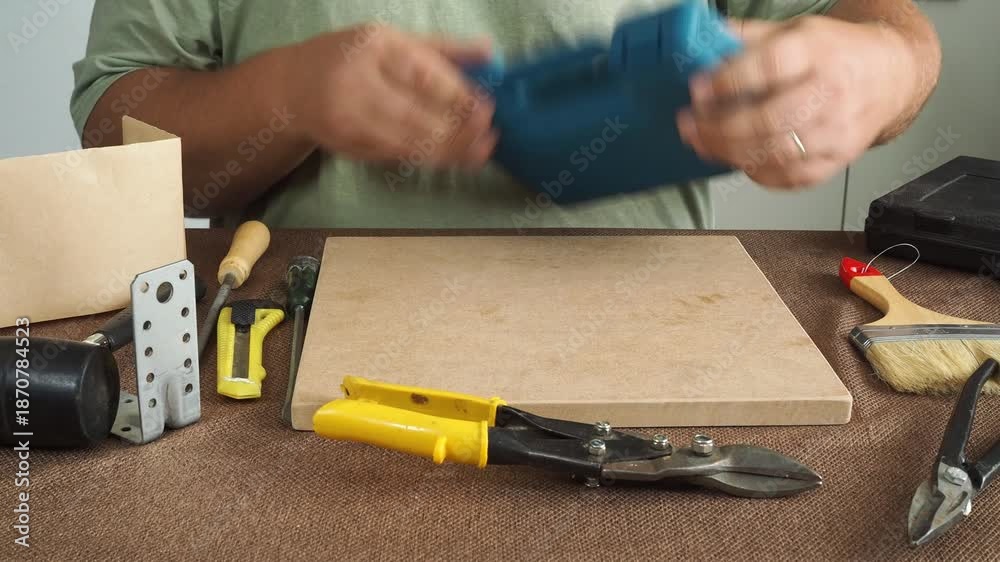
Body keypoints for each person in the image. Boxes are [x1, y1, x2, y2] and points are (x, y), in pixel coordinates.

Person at [71, 0, 940, 229]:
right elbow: (116, 132)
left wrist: (881, 67)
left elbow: (888, 28)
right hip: (301, 335)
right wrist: (287, 96)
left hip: (654, 332)